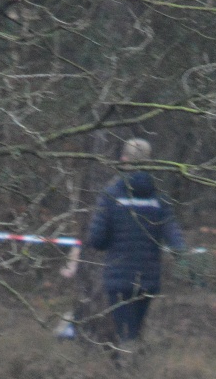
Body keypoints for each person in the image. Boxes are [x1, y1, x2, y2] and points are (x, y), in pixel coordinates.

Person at [62, 138, 184, 353]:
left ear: (124, 160)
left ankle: (126, 373)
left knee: (126, 333)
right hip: (148, 278)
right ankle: (133, 371)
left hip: (119, 277)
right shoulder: (159, 199)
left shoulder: (111, 195)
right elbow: (173, 236)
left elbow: (96, 239)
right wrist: (186, 260)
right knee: (134, 330)